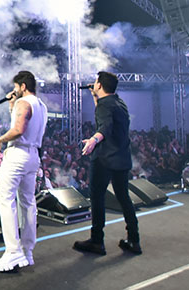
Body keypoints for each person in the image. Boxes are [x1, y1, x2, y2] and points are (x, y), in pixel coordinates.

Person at [73, 71, 141, 256]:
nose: (94, 84)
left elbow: (105, 126)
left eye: (96, 82)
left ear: (100, 85)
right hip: (121, 158)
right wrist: (94, 96)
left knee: (97, 198)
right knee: (124, 197)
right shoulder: (119, 102)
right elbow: (104, 117)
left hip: (104, 158)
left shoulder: (105, 106)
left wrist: (93, 140)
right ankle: (134, 240)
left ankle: (97, 241)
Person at [0, 70, 48, 272]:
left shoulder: (24, 103)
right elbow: (22, 123)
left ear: (23, 86)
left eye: (16, 87)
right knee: (28, 202)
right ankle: (27, 251)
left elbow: (18, 129)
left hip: (18, 155)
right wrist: (11, 104)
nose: (14, 90)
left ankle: (13, 251)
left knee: (5, 200)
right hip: (33, 156)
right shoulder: (41, 106)